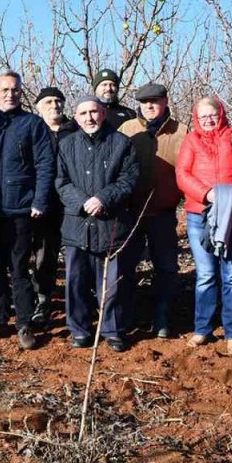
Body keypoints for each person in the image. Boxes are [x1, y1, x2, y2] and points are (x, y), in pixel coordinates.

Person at [0, 72, 55, 350]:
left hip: (20, 209)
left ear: (21, 92)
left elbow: (45, 166)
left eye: (15, 89)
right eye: (4, 89)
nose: (10, 94)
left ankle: (24, 323)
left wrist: (40, 200)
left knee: (19, 268)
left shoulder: (33, 124)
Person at [176, 96, 232, 356]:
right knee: (205, 275)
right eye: (203, 117)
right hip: (199, 213)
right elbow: (182, 174)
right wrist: (208, 194)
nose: (208, 120)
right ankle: (202, 328)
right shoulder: (191, 140)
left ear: (221, 113)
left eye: (212, 115)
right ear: (196, 118)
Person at [56, 96, 139, 350]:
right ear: (76, 118)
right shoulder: (66, 145)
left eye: (94, 112)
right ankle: (79, 329)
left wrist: (103, 198)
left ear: (104, 114)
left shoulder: (122, 143)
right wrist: (82, 201)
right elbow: (60, 181)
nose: (89, 118)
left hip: (111, 222)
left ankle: (113, 330)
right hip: (77, 223)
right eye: (83, 114)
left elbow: (128, 179)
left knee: (112, 282)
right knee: (76, 281)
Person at [117, 82, 187, 339]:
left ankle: (162, 318)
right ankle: (126, 317)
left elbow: (188, 170)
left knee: (166, 267)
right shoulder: (127, 129)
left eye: (155, 101)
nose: (149, 106)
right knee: (125, 266)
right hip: (131, 213)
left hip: (164, 212)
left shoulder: (181, 131)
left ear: (165, 101)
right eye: (144, 102)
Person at [29, 87, 78, 326]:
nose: (54, 105)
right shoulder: (33, 131)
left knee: (76, 254)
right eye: (48, 101)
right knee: (44, 255)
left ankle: (79, 301)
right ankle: (43, 299)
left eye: (58, 100)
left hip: (72, 204)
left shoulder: (76, 131)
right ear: (39, 107)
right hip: (43, 205)